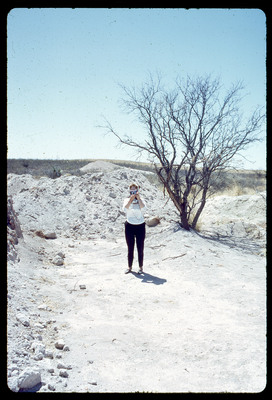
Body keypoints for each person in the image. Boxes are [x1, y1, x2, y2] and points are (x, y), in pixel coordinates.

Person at [123, 183, 146, 274]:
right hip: (129, 226)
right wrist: (130, 200)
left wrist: (139, 199)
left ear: (137, 191)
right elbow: (125, 209)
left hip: (140, 226)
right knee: (130, 247)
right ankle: (129, 267)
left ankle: (140, 267)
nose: (133, 193)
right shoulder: (126, 200)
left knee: (140, 247)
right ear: (129, 191)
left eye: (135, 191)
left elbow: (143, 209)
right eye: (131, 191)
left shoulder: (142, 200)